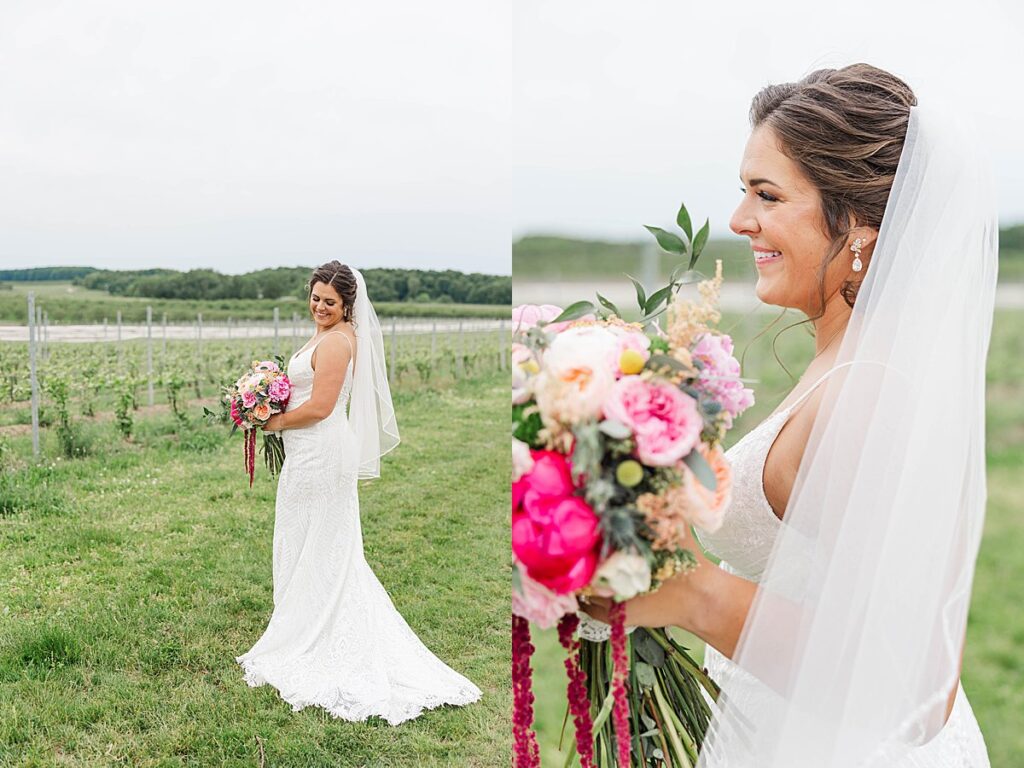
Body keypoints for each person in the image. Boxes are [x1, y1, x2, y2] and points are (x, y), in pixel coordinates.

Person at [585, 64, 996, 766]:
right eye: (743, 192)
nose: (741, 220)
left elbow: (916, 686)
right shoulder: (849, 360)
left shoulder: (871, 391)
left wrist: (694, 595)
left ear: (858, 226)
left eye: (767, 195)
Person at [236, 260, 481, 724]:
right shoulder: (328, 335)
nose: (319, 306)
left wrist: (274, 421)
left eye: (329, 301)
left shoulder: (336, 343)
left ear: (347, 303)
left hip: (320, 451)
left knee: (321, 543)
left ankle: (316, 632)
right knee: (310, 539)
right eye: (315, 297)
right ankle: (303, 620)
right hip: (309, 450)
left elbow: (324, 406)